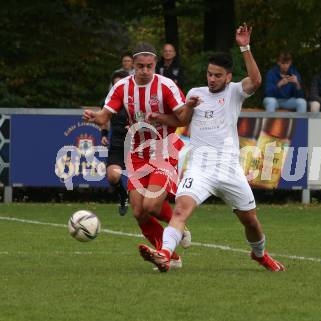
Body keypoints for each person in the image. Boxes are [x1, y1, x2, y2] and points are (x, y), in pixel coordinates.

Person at [138, 23, 285, 272]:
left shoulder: (236, 92)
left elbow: (257, 80)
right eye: (209, 74)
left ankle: (260, 255)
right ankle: (164, 254)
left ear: (228, 76)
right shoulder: (196, 92)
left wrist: (245, 47)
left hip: (228, 169)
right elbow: (182, 120)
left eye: (218, 75)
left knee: (250, 221)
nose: (212, 79)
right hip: (200, 168)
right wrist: (171, 113)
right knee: (181, 211)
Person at [83, 42, 191, 268]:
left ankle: (176, 227)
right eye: (140, 66)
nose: (144, 71)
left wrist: (165, 116)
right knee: (139, 212)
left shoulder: (167, 86)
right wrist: (94, 116)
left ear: (155, 65)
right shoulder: (122, 87)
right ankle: (171, 258)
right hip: (137, 153)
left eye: (149, 66)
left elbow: (183, 119)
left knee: (151, 207)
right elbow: (104, 117)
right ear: (133, 65)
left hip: (164, 150)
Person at [101, 70, 130, 216]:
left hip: (137, 145)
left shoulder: (136, 100)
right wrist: (104, 134)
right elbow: (104, 119)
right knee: (113, 176)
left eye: (120, 83)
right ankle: (123, 196)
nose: (118, 86)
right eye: (115, 84)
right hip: (117, 143)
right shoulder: (109, 101)